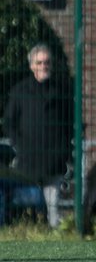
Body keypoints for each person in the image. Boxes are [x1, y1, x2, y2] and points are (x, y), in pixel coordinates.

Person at [3, 44, 73, 228]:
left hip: (54, 162)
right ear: (32, 66)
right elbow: (9, 122)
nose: (44, 66)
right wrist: (20, 144)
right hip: (29, 162)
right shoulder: (20, 92)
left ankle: (54, 246)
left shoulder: (61, 92)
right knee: (28, 209)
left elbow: (70, 123)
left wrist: (64, 150)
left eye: (47, 62)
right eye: (39, 62)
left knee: (53, 211)